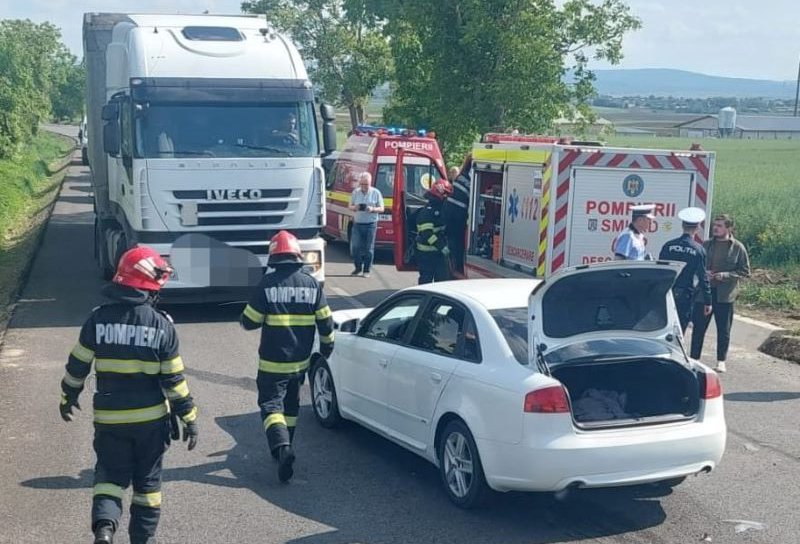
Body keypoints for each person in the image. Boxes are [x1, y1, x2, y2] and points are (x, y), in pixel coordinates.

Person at [59, 246, 198, 544]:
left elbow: (77, 365)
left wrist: (68, 395)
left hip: (109, 420)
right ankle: (140, 540)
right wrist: (189, 416)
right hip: (150, 423)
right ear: (147, 283)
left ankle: (105, 531)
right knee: (147, 486)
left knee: (109, 477)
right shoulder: (162, 326)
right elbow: (174, 381)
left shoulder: (97, 320)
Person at [240, 230, 334, 482]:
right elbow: (326, 322)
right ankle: (287, 446)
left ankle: (281, 448)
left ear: (273, 258)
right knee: (291, 407)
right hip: (300, 363)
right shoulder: (312, 284)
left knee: (271, 405)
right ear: (297, 256)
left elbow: (249, 322)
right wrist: (327, 348)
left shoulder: (267, 285)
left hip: (272, 362)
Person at [689, 214, 750, 373]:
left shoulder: (737, 247)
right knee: (699, 327)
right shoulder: (706, 244)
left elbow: (745, 271)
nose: (715, 228)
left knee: (723, 329)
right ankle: (694, 358)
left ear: (729, 228)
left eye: (720, 225)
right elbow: (696, 265)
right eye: (714, 225)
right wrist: (704, 273)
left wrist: (726, 275)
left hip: (725, 295)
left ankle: (721, 360)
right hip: (705, 293)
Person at [658, 207, 712, 332]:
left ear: (682, 225)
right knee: (680, 329)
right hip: (685, 296)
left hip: (667, 293)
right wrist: (708, 301)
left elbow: (660, 270)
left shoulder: (668, 245)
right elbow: (703, 277)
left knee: (664, 328)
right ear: (698, 227)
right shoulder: (698, 250)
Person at [415, 178, 453, 284]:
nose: (447, 197)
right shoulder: (427, 212)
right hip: (426, 254)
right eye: (445, 194)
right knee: (426, 281)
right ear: (439, 193)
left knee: (441, 281)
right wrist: (442, 247)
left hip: (437, 253)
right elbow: (427, 234)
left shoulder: (440, 209)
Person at [348, 172, 384, 278]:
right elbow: (349, 206)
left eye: (366, 184)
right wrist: (355, 207)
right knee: (355, 247)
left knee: (369, 248)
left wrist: (372, 209)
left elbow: (382, 208)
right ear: (360, 183)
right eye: (362, 184)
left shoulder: (376, 193)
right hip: (358, 223)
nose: (364, 186)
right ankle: (358, 268)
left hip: (371, 224)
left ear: (370, 183)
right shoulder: (356, 192)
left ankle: (367, 270)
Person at [442, 153, 472, 276]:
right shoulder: (469, 178)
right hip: (458, 217)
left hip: (450, 214)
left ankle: (454, 268)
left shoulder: (461, 177)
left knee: (454, 244)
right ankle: (457, 268)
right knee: (457, 245)